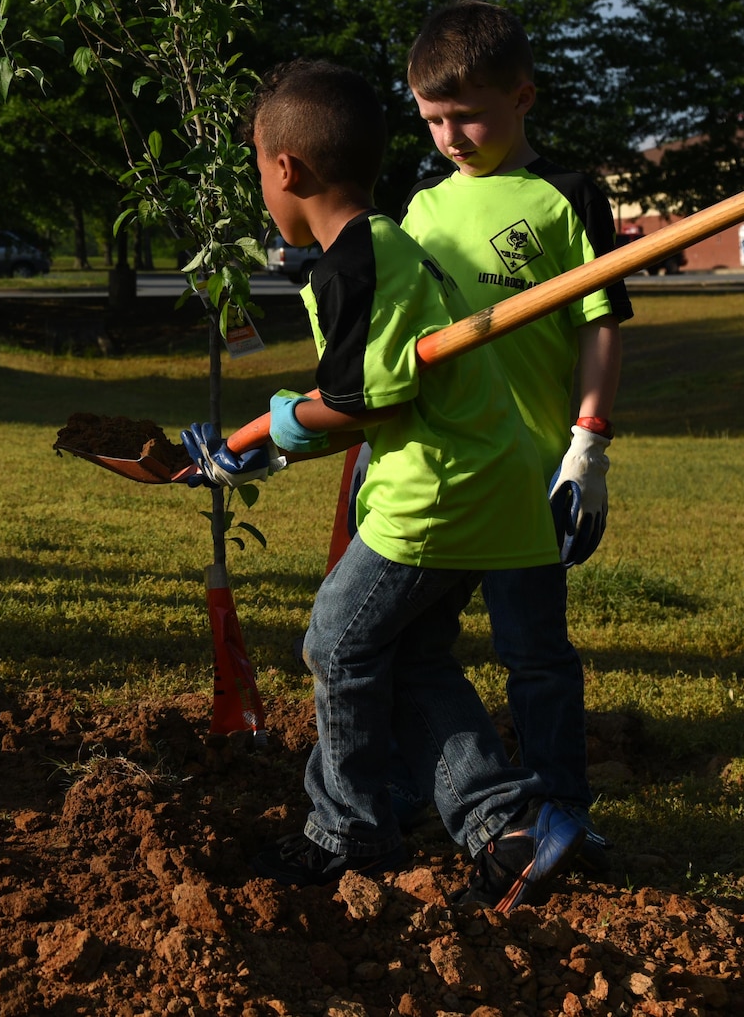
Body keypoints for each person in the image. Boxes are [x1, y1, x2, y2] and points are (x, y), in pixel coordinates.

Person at [184, 60, 578, 908]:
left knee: (339, 639)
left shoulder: (359, 259)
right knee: (408, 653)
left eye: (257, 167)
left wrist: (271, 425)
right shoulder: (371, 249)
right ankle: (510, 827)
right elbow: (366, 401)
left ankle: (347, 831)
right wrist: (275, 442)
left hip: (441, 488)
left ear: (285, 170)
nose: (261, 185)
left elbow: (363, 397)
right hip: (479, 476)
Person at [395, 0, 630, 869]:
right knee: (411, 644)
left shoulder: (567, 198)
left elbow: (602, 324)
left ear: (523, 97)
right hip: (444, 473)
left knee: (534, 652)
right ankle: (429, 784)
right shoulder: (419, 210)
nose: (451, 135)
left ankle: (563, 806)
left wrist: (589, 441)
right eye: (432, 119)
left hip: (532, 471)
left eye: (468, 115)